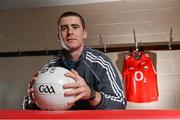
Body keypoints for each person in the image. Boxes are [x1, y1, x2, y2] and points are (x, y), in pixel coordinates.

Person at [22, 11, 126, 110]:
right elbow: (25, 106)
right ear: (59, 36)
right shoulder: (50, 67)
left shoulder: (101, 63)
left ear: (84, 34)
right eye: (64, 28)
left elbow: (120, 104)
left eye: (75, 27)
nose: (70, 32)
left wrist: (91, 94)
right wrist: (32, 102)